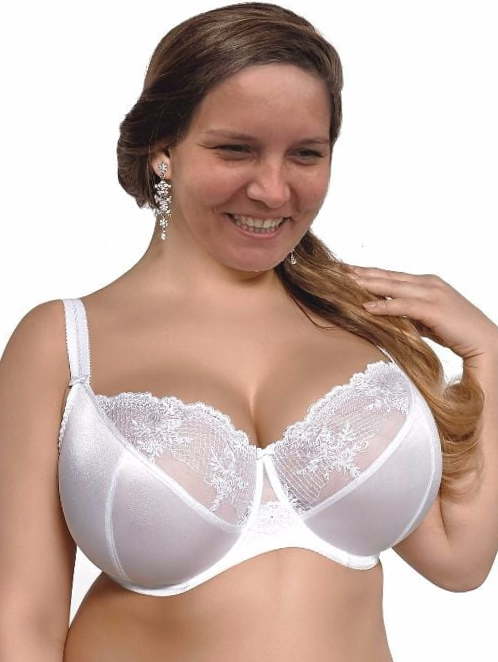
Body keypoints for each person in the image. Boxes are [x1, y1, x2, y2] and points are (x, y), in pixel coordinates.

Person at [1, 3, 494, 661]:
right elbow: (23, 619)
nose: (273, 190)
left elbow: (460, 560)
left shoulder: (366, 330)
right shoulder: (64, 342)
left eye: (306, 154)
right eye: (236, 149)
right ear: (163, 150)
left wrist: (489, 352)